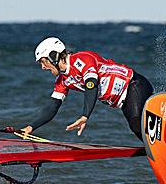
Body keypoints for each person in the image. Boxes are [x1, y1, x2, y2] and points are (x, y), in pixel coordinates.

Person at [20, 37, 154, 142]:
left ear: (53, 56)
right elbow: (52, 105)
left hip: (135, 85)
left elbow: (91, 86)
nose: (43, 67)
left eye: (43, 62)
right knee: (141, 133)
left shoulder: (83, 59)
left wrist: (85, 116)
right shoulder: (62, 81)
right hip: (123, 102)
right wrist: (31, 127)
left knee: (136, 124)